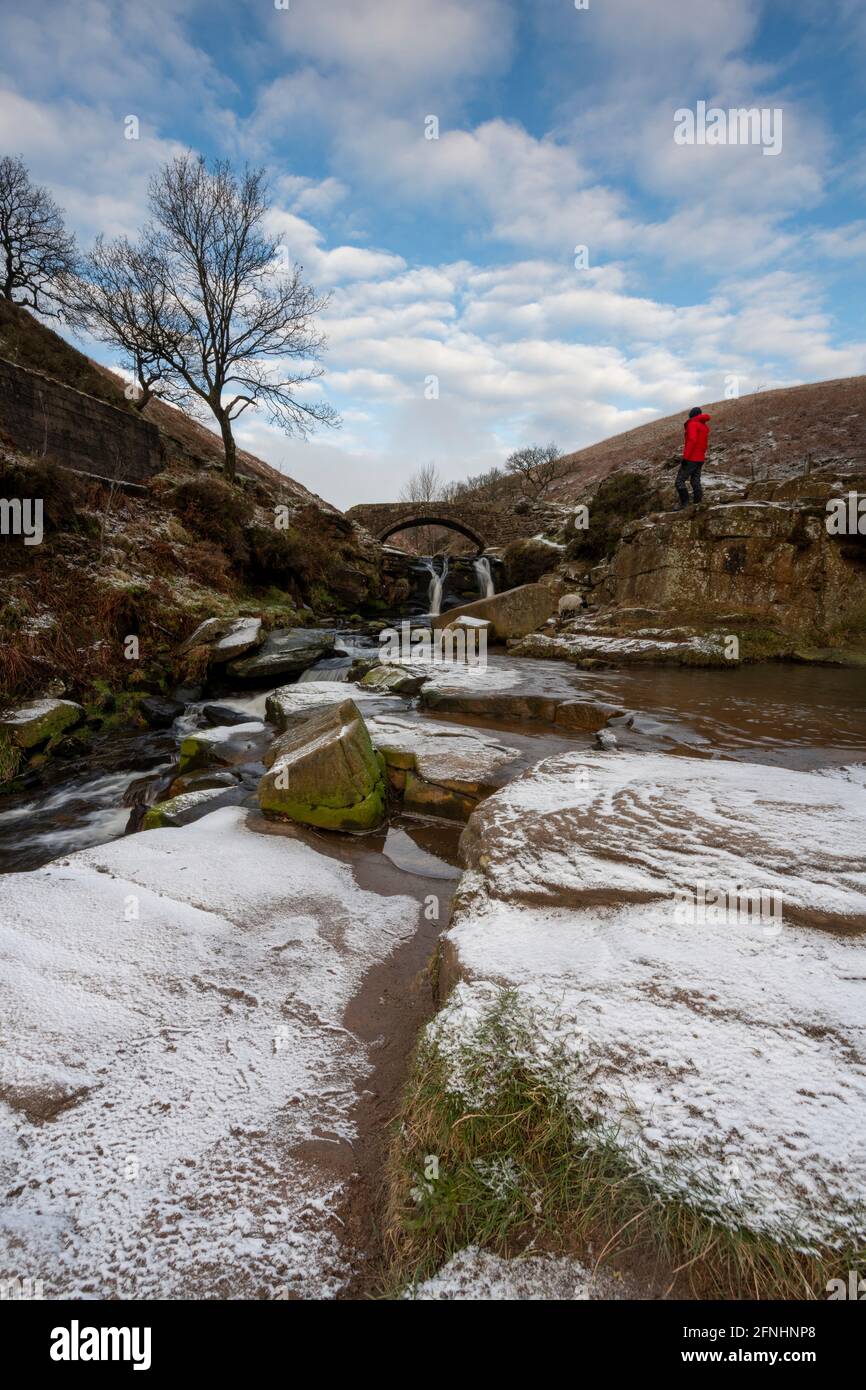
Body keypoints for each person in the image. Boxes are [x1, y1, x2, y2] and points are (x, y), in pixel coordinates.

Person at [675, 406, 711, 508]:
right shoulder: (703, 426)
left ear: (692, 415)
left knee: (679, 481)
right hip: (700, 458)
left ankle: (684, 504)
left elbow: (692, 441)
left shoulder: (692, 424)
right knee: (695, 481)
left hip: (691, 458)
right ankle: (697, 503)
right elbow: (703, 444)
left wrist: (686, 458)